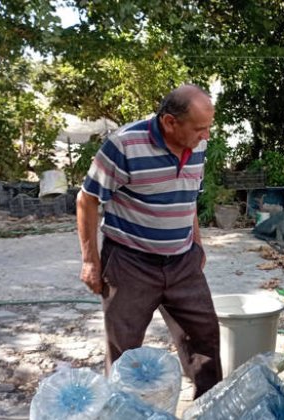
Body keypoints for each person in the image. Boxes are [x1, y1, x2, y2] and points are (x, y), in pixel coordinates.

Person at [76, 84, 221, 398]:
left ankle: (210, 408)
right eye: (200, 128)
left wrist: (196, 244)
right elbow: (86, 200)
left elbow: (189, 196)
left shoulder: (197, 143)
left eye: (208, 128)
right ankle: (122, 411)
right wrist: (90, 261)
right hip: (130, 263)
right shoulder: (124, 146)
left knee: (205, 339)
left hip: (183, 261)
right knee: (123, 351)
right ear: (170, 122)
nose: (206, 136)